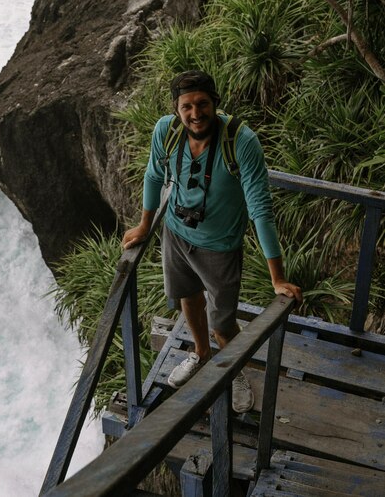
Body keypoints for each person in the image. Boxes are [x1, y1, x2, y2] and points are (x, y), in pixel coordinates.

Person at [122, 69, 302, 413]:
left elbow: (259, 208)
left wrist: (276, 277)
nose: (195, 113)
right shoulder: (167, 131)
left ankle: (232, 371)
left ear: (215, 103)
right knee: (188, 298)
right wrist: (145, 226)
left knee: (223, 323)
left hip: (220, 247)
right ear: (177, 109)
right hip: (175, 234)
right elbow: (154, 175)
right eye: (186, 106)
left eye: (202, 104)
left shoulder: (241, 142)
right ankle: (200, 354)